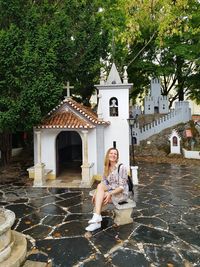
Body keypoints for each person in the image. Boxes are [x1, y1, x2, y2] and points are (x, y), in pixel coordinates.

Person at [85, 147, 129, 232]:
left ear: (117, 156)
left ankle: (96, 222)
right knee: (100, 187)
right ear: (108, 155)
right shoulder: (107, 167)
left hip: (121, 193)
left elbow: (121, 187)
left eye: (115, 154)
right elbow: (103, 182)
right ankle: (97, 217)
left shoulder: (121, 167)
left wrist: (109, 193)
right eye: (111, 153)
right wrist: (97, 192)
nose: (113, 155)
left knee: (100, 197)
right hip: (111, 190)